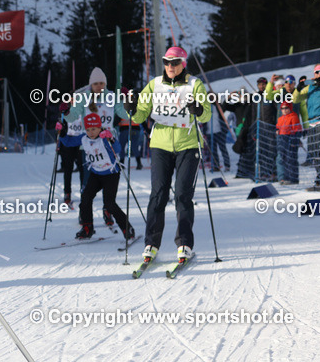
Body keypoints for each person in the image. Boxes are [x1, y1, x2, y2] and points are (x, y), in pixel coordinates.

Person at [128, 46, 211, 262]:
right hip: (161, 145)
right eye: (166, 62)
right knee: (158, 194)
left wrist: (198, 110)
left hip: (188, 144)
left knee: (183, 194)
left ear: (183, 64)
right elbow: (139, 116)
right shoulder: (154, 84)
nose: (170, 66)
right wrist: (132, 109)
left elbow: (206, 115)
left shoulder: (195, 84)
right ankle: (151, 244)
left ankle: (184, 243)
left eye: (174, 62)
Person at [65, 67, 129, 226]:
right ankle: (85, 217)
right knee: (87, 184)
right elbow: (72, 117)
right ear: (91, 84)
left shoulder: (112, 97)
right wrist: (66, 111)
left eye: (101, 83)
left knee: (109, 183)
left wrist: (127, 102)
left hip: (108, 145)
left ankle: (108, 210)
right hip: (89, 145)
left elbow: (124, 114)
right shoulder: (83, 98)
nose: (99, 86)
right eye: (96, 84)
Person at [75, 113, 135, 241]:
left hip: (111, 174)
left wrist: (111, 138)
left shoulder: (104, 138)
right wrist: (63, 132)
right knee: (85, 198)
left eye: (94, 129)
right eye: (88, 129)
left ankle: (127, 228)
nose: (91, 132)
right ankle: (87, 228)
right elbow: (69, 142)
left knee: (109, 204)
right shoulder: (84, 139)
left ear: (99, 128)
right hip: (96, 173)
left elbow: (118, 149)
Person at [295, 64, 320, 189]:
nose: (318, 74)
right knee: (313, 152)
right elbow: (295, 99)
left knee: (319, 151)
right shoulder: (311, 87)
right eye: (316, 72)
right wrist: (298, 88)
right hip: (312, 122)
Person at [276, 102, 302, 185]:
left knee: (291, 159)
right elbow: (277, 127)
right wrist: (277, 130)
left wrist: (294, 141)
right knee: (281, 159)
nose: (284, 110)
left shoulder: (293, 117)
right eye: (282, 108)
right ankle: (282, 177)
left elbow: (297, 129)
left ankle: (293, 178)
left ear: (290, 108)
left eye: (286, 108)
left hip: (290, 139)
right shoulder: (280, 118)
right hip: (281, 139)